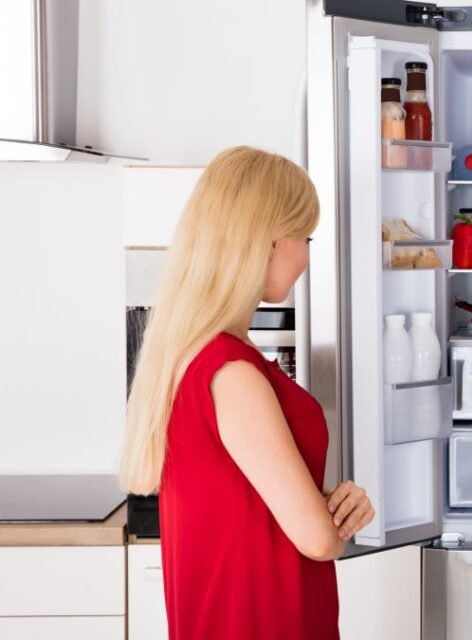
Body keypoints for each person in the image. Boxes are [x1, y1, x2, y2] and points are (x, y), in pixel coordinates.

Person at [119, 146, 373, 639]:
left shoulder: (196, 353)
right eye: (304, 236)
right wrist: (333, 523)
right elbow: (319, 542)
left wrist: (324, 501)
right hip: (264, 621)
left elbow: (238, 492)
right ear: (266, 241)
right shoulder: (232, 370)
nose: (304, 254)